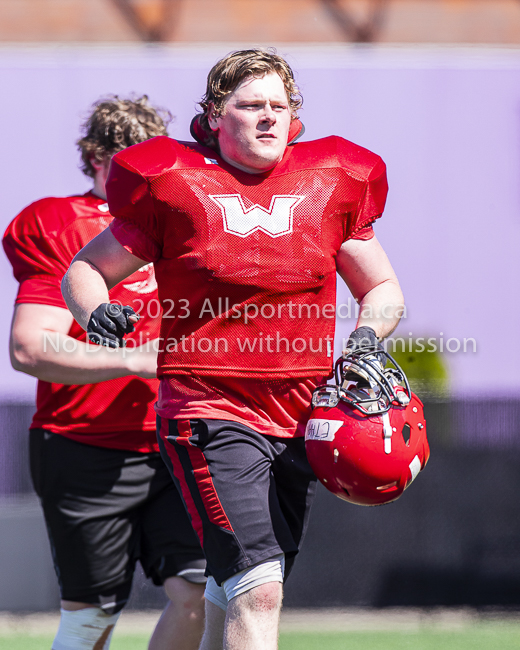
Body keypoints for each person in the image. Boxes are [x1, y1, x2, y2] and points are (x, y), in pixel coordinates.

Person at [61, 50, 405, 650]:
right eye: (251, 106)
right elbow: (86, 268)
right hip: (209, 410)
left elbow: (381, 287)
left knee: (237, 585)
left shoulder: (331, 180)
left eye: (280, 106)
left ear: (294, 117)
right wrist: (96, 311)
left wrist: (367, 337)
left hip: (300, 415)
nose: (268, 118)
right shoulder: (174, 184)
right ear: (216, 115)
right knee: (259, 588)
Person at [3, 96, 206, 650]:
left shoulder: (187, 222)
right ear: (95, 160)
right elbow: (28, 347)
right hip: (87, 444)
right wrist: (134, 358)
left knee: (201, 595)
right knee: (93, 616)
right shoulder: (57, 221)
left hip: (178, 437)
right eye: (128, 163)